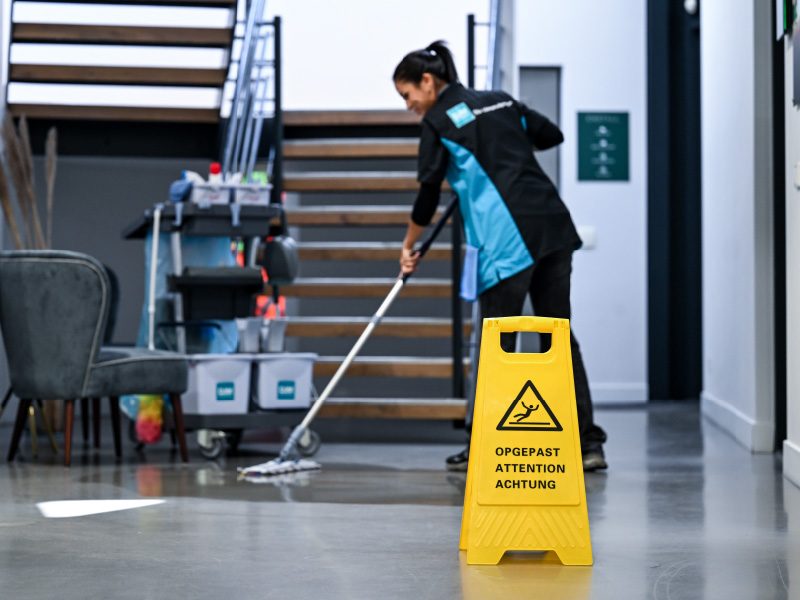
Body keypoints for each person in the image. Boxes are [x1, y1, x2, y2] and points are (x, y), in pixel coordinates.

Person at [393, 40, 608, 472]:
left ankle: (485, 448)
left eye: (407, 95)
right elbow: (551, 134)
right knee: (558, 335)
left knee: (496, 346)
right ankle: (588, 446)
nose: (409, 105)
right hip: (551, 225)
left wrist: (408, 245)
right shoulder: (499, 101)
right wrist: (507, 143)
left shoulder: (438, 122)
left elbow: (427, 197)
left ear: (428, 82)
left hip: (507, 240)